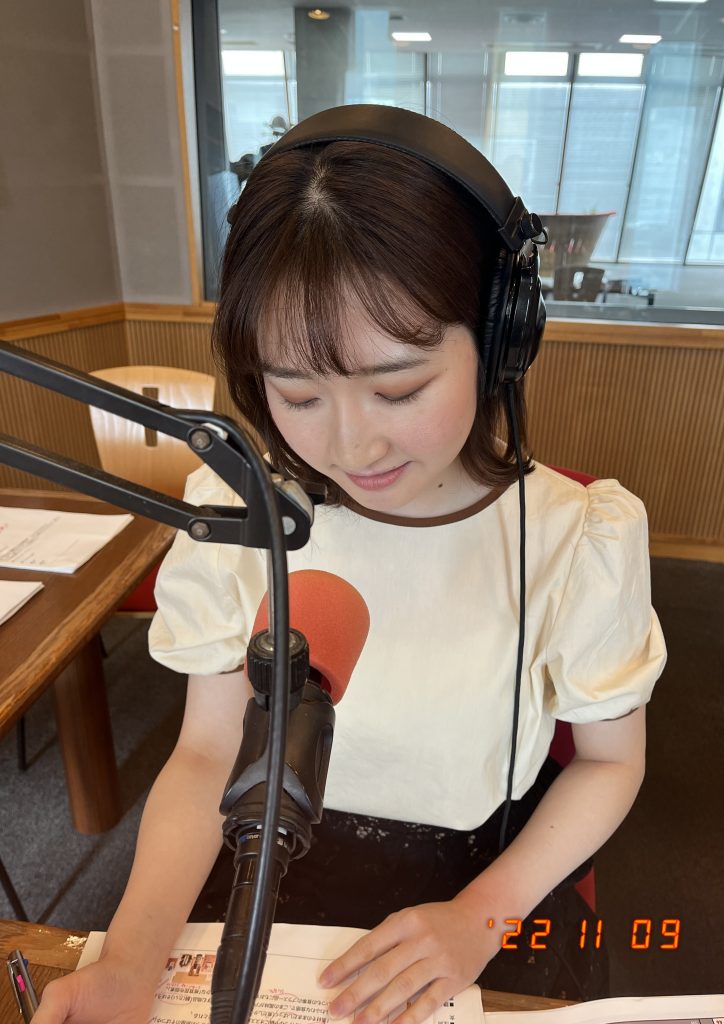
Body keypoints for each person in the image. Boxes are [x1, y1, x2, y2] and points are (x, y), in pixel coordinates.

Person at [35, 106, 666, 1024]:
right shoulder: (239, 519)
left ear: (498, 340)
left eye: (397, 388)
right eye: (297, 395)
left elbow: (610, 763)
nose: (351, 445)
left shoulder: (578, 539)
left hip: (479, 883)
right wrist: (129, 962)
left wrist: (479, 919)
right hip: (262, 865)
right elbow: (208, 753)